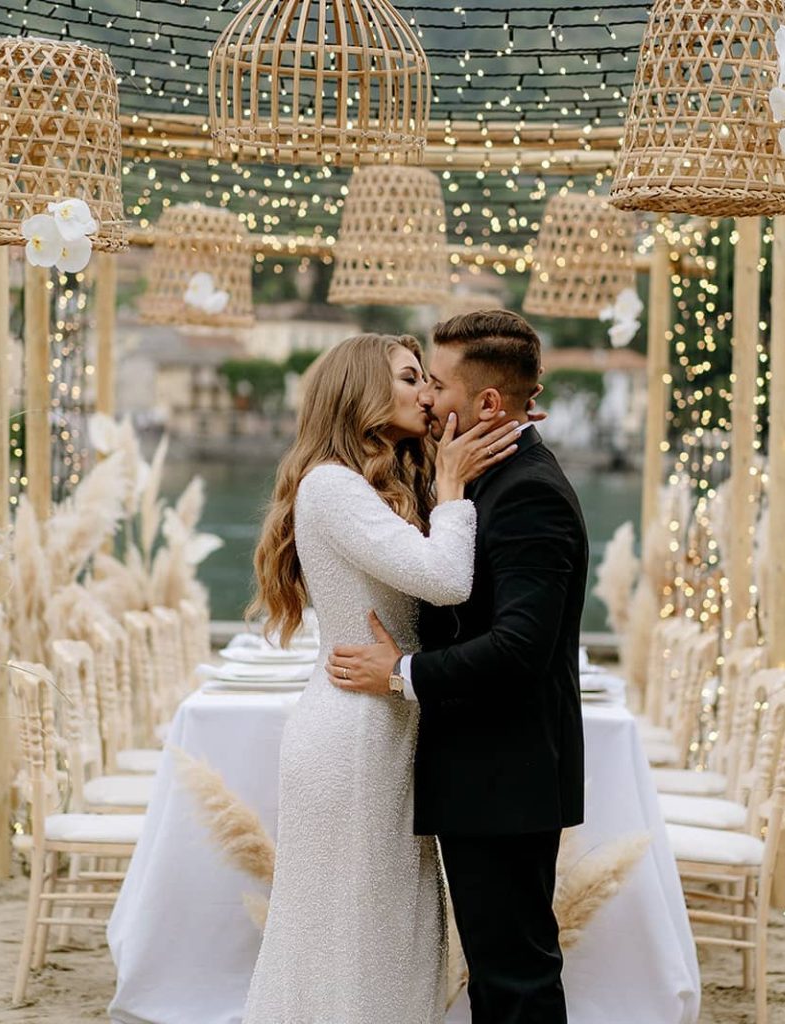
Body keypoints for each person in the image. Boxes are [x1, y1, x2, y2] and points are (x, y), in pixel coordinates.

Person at [242, 332, 521, 1024]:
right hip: (356, 733)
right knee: (357, 928)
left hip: (384, 721)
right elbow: (446, 578)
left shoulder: (376, 481)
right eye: (409, 378)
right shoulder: (333, 485)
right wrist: (454, 490)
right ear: (361, 392)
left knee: (387, 926)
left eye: (429, 379)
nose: (427, 392)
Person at [328, 310, 589, 1024]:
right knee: (500, 975)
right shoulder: (480, 472)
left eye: (438, 384)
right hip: (486, 773)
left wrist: (401, 673)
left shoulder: (528, 491)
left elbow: (519, 648)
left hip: (504, 774)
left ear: (490, 404)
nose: (427, 399)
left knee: (515, 980)